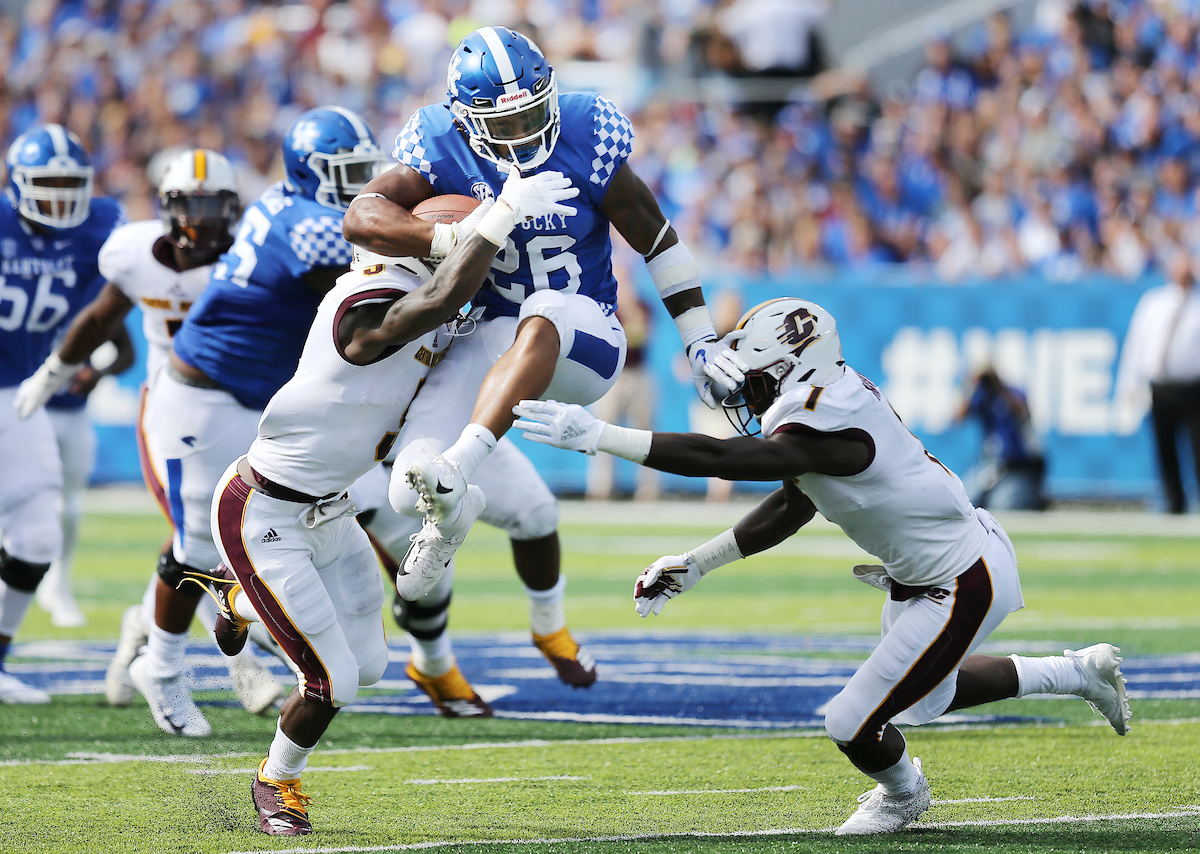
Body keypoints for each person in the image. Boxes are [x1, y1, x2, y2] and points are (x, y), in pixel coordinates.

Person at [513, 297, 1132, 836]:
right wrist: (698, 564)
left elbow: (725, 459)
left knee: (850, 721)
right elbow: (793, 502)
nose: (743, 388)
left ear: (791, 366)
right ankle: (1078, 672)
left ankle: (904, 793)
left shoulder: (824, 421)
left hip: (961, 577)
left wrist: (603, 436)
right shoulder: (821, 403)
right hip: (930, 571)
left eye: (754, 375)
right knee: (929, 694)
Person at [197, 167, 574, 835]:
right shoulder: (362, 303)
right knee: (333, 681)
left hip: (332, 508)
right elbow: (427, 305)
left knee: (369, 665)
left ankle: (238, 602)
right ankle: (274, 782)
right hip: (264, 509)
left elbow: (450, 318)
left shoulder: (432, 309)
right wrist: (496, 216)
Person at [341, 26, 741, 653]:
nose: (524, 134)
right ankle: (451, 508)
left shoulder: (585, 128)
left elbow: (656, 237)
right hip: (495, 333)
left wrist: (698, 340)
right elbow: (362, 217)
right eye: (504, 124)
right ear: (465, 121)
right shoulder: (437, 141)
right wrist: (466, 232)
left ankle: (463, 466)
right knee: (405, 476)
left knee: (546, 308)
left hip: (588, 335)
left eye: (532, 113)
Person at [115, 109, 388, 737]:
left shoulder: (290, 205)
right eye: (347, 174)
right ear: (311, 173)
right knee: (197, 547)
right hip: (200, 399)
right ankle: (161, 667)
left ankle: (243, 645)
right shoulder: (308, 225)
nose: (360, 186)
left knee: (261, 536)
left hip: (258, 400)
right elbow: (374, 291)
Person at [16, 147, 288, 713]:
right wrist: (53, 373)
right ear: (167, 206)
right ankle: (238, 664)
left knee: (240, 534)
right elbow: (99, 318)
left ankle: (139, 635)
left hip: (244, 407)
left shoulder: (255, 256)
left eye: (214, 205)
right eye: (191, 204)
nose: (203, 219)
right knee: (201, 536)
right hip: (170, 408)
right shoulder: (134, 252)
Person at [0, 123, 125, 704]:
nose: (59, 197)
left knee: (37, 533)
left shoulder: (100, 226)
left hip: (23, 394)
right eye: (46, 184)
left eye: (69, 183)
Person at [37, 326, 136, 627]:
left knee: (68, 506)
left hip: (75, 413)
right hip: (29, 411)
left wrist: (99, 373)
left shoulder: (89, 295)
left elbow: (126, 352)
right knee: (15, 499)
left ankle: (58, 583)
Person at [1114, 249, 1200, 513]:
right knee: (1165, 448)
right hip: (1160, 386)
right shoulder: (1154, 302)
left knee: (1197, 447)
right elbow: (1137, 344)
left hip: (1192, 387)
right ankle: (1175, 502)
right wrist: (1128, 383)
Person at [586, 272, 659, 501]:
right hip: (609, 377)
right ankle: (601, 487)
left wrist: (628, 307)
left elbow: (638, 336)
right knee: (601, 432)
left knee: (644, 433)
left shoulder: (642, 306)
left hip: (637, 373)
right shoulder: (603, 305)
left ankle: (647, 488)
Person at [957, 366, 1047, 511]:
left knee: (1003, 507)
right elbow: (958, 417)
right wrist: (971, 386)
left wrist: (999, 385)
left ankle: (1034, 499)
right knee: (965, 502)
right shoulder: (984, 396)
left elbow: (1021, 410)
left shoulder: (1013, 393)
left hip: (1021, 468)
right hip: (993, 466)